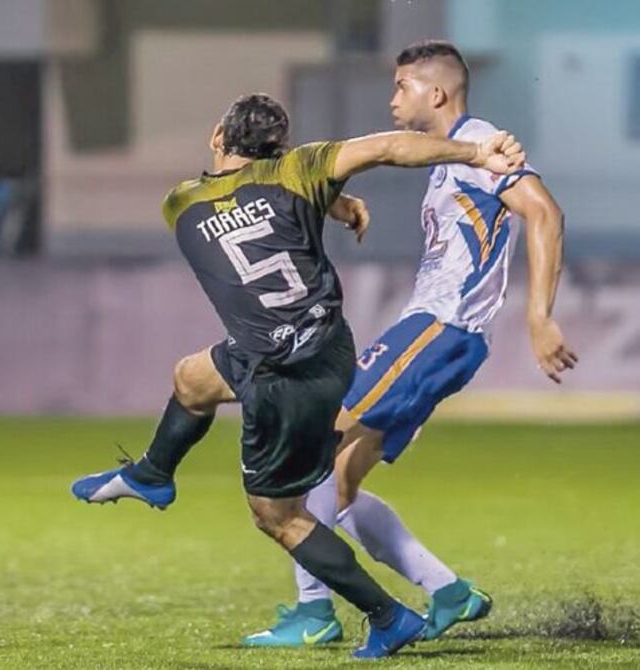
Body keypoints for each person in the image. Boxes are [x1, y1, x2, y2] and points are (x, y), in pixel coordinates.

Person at [71, 92, 525, 659]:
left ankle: (387, 617)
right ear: (279, 148)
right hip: (327, 352)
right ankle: (151, 473)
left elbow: (242, 202)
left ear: (217, 137)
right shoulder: (301, 169)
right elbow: (388, 148)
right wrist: (476, 153)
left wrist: (334, 201)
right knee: (193, 378)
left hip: (279, 375)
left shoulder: (181, 203)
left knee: (279, 516)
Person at [241, 40, 578, 647]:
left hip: (440, 328)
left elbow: (545, 213)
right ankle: (448, 591)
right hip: (441, 337)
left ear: (437, 92)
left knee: (317, 439)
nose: (393, 97)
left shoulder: (481, 144)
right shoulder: (450, 159)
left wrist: (539, 316)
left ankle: (314, 612)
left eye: (402, 85)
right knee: (341, 484)